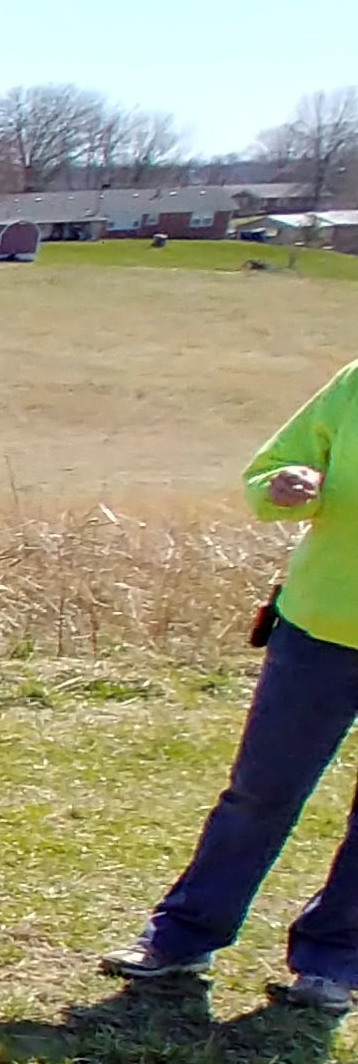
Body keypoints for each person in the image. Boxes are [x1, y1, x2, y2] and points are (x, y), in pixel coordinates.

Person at [106, 360, 358, 1013]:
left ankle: (333, 960)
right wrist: (284, 484)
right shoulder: (354, 383)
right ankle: (182, 938)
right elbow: (269, 474)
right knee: (261, 792)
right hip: (320, 628)